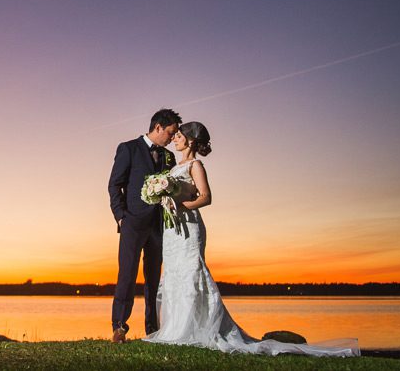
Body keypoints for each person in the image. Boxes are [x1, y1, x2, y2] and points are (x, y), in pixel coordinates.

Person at [144, 121, 360, 357]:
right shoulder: (174, 167)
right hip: (173, 229)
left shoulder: (195, 165)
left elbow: (206, 197)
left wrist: (183, 206)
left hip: (190, 225)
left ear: (191, 141)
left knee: (191, 272)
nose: (174, 139)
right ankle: (175, 328)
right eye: (174, 135)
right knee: (174, 272)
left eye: (179, 136)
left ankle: (195, 329)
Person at [108, 108, 182, 343]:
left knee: (153, 278)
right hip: (132, 223)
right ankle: (119, 327)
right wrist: (121, 217)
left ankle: (152, 328)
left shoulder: (168, 157)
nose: (172, 138)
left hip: (159, 225)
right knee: (127, 274)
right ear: (158, 127)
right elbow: (114, 185)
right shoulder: (128, 148)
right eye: (170, 132)